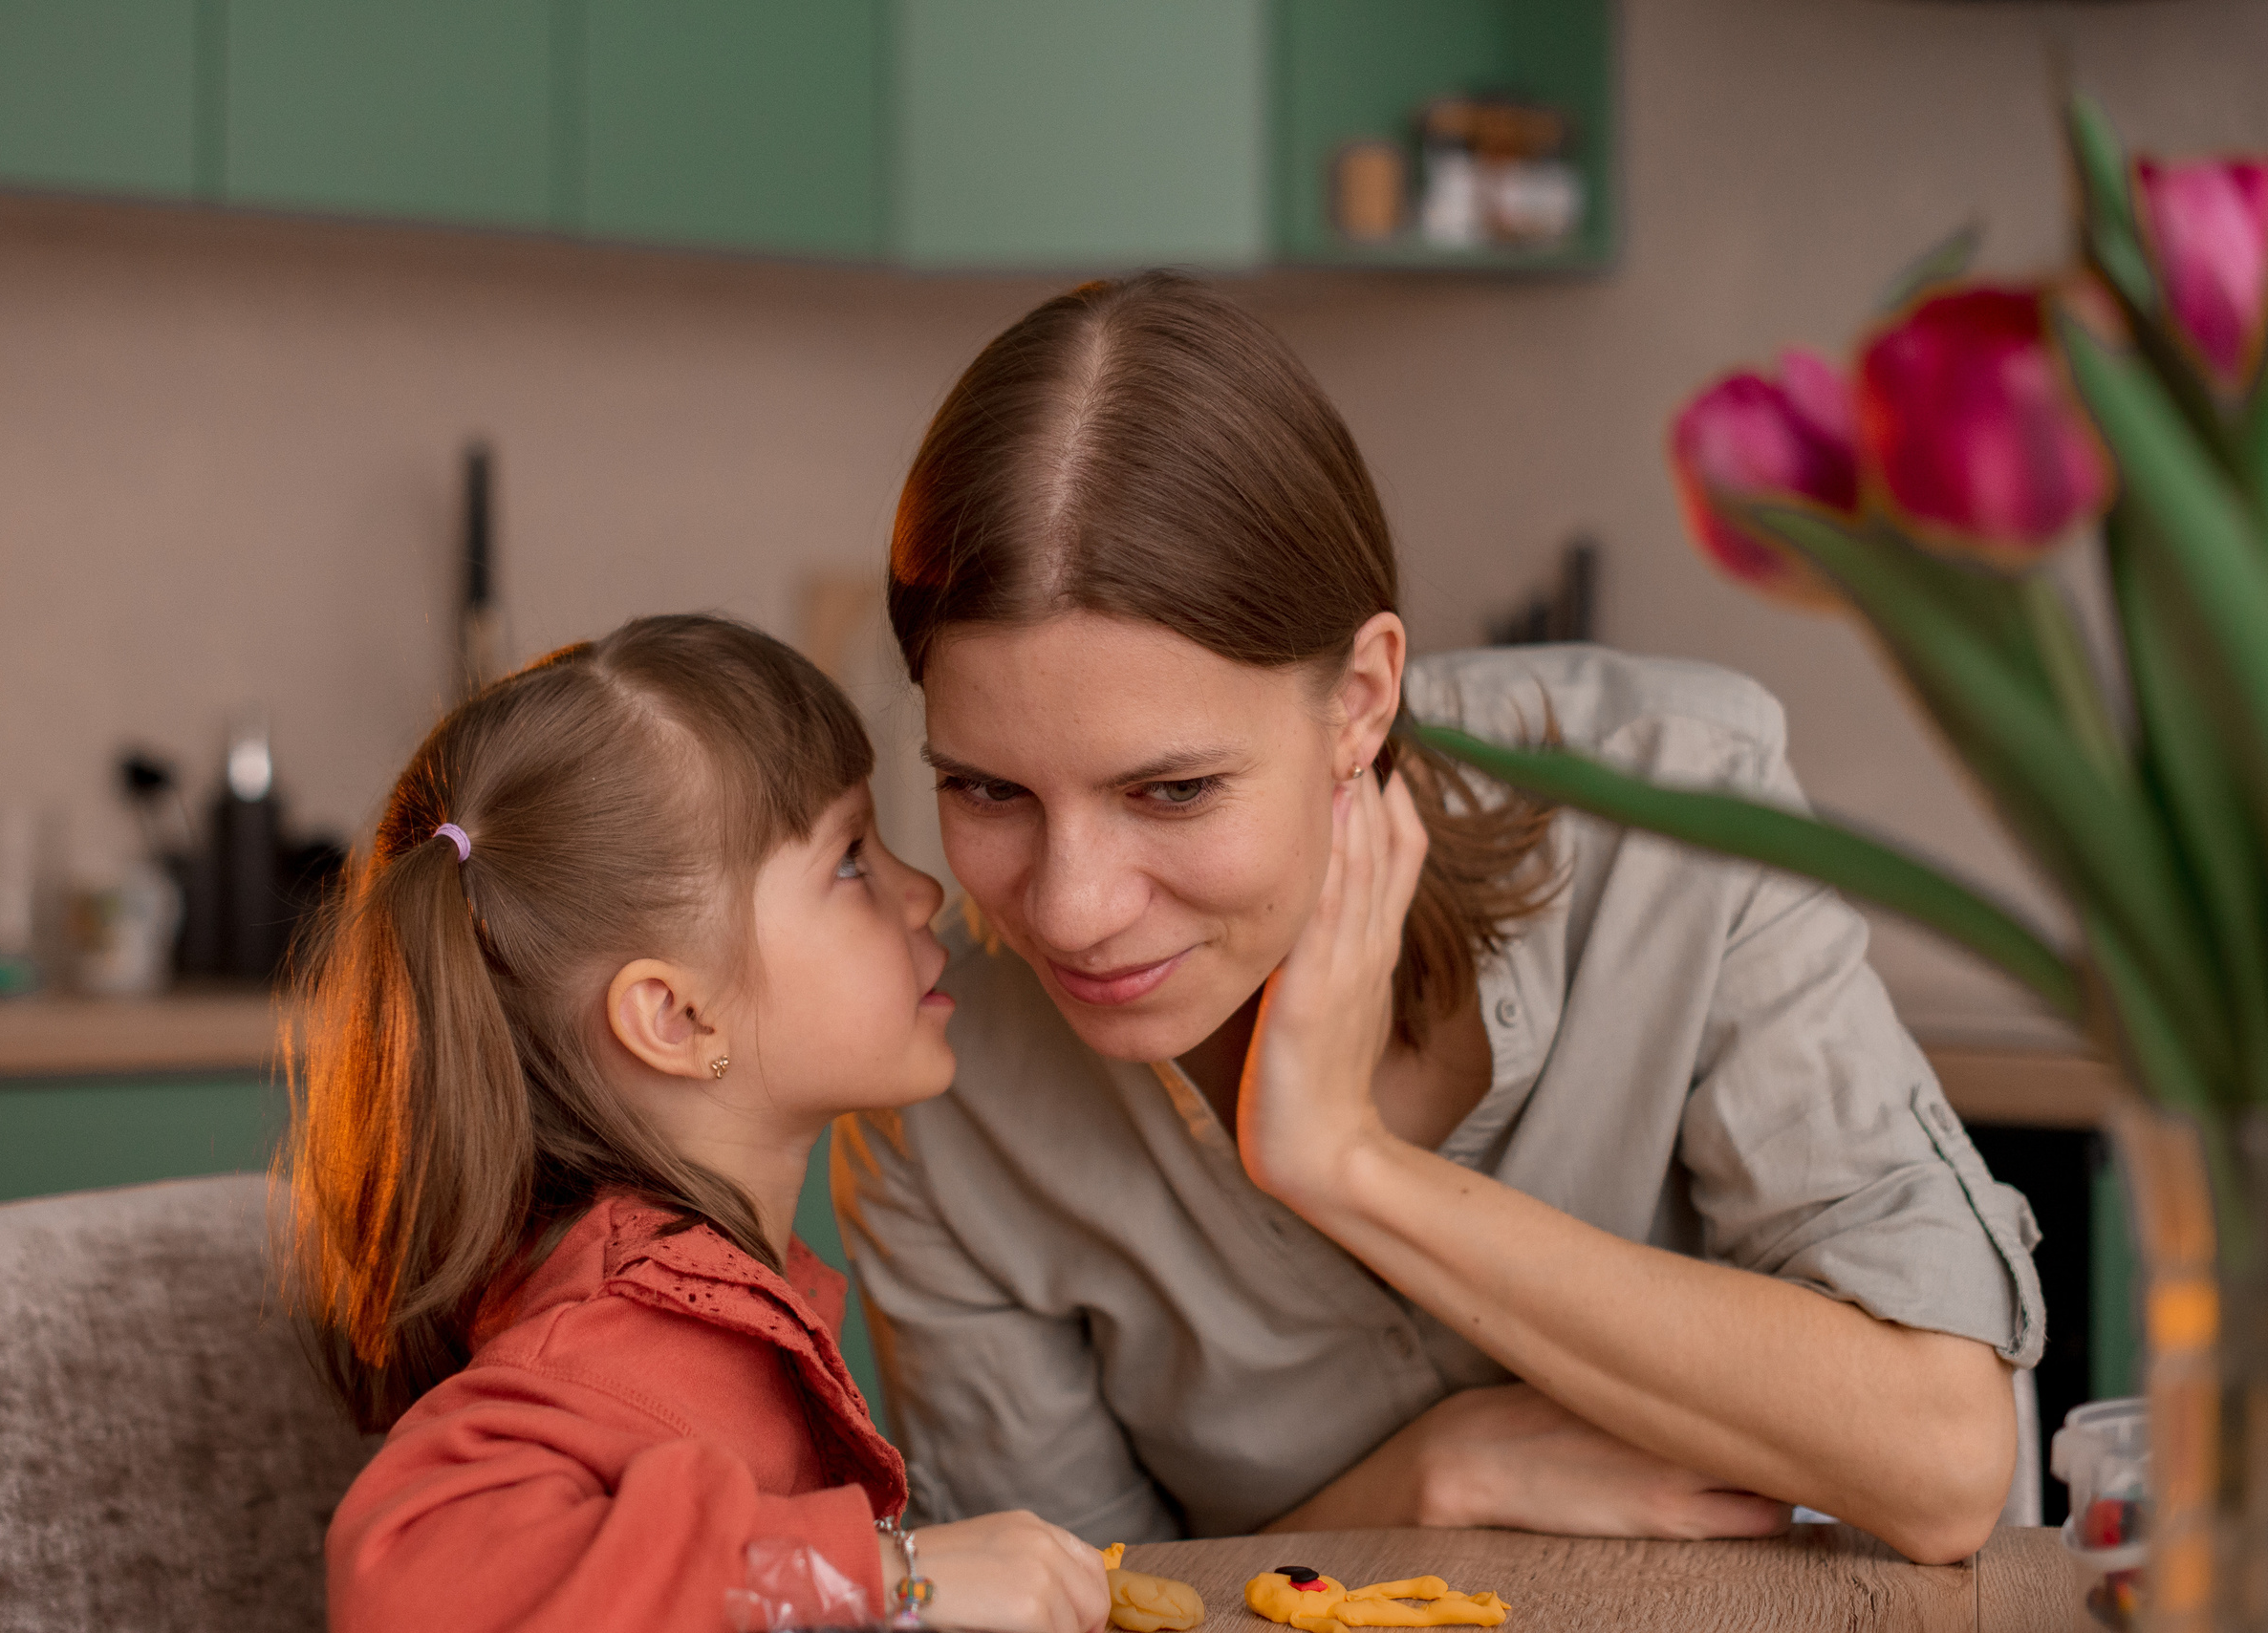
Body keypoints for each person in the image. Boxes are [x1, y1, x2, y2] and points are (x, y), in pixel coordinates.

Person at [834, 273, 2042, 1567]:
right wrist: (1430, 1479)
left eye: (1172, 790)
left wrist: (1349, 1164)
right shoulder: (935, 1103)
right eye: (987, 789)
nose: (1071, 909)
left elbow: (1945, 1460)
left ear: (1361, 698)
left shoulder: (1671, 809)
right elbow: (1075, 1605)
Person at [288, 614, 1112, 1633]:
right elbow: (406, 1587)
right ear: (678, 1017)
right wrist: (890, 1572)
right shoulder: (628, 1336)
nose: (923, 891)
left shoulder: (705, 1293)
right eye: (850, 859)